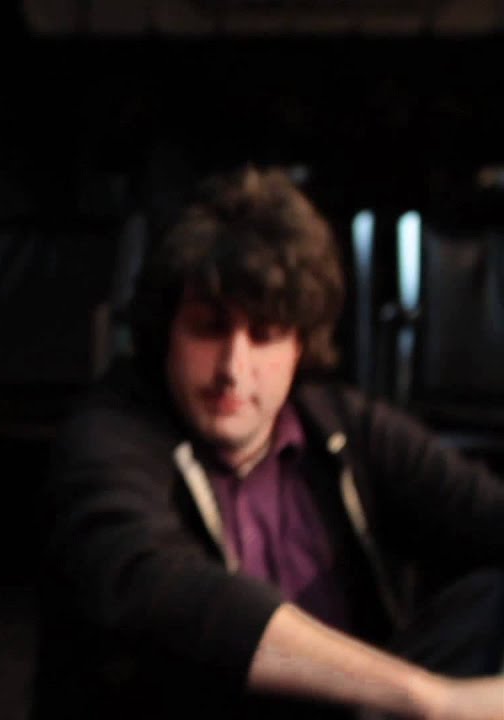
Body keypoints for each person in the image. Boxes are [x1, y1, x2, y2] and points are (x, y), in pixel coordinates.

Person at [32, 166, 504, 719]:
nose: (234, 369)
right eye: (209, 328)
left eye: (265, 335)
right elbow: (161, 591)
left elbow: (483, 512)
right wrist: (430, 699)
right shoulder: (107, 433)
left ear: (300, 344)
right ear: (167, 331)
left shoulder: (340, 423)